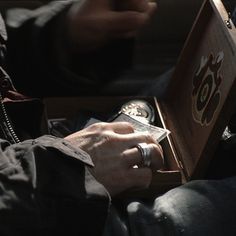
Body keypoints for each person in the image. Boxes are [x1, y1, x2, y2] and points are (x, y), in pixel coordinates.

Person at [0, 1, 236, 236]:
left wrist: (59, 35)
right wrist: (61, 171)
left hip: (37, 157)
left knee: (188, 87)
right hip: (36, 203)